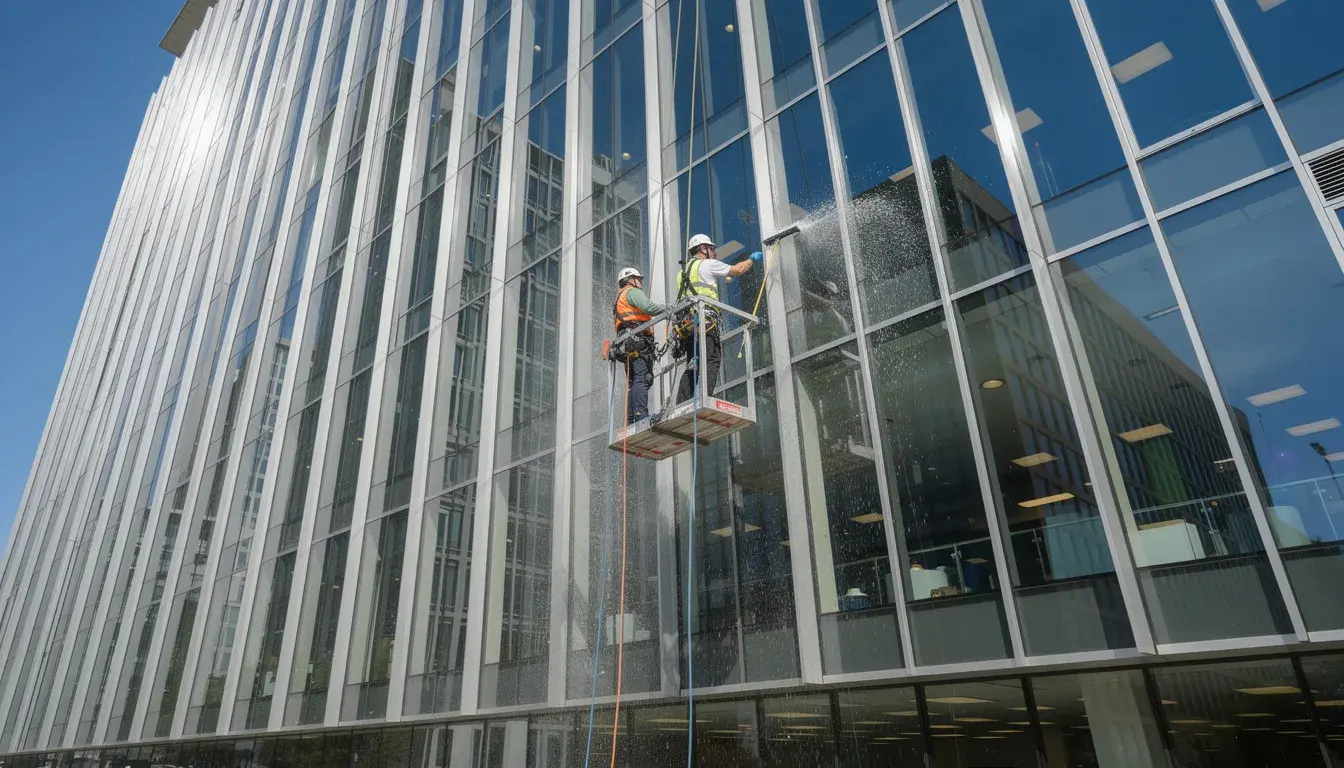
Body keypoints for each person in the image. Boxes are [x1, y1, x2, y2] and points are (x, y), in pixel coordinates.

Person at [675, 234, 761, 403]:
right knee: (712, 358)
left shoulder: (682, 272)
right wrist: (751, 260)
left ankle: (683, 401)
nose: (714, 252)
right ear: (703, 248)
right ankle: (705, 397)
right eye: (711, 248)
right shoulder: (707, 264)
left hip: (688, 325)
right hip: (705, 322)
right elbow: (737, 270)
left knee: (694, 362)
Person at [612, 266, 669, 423]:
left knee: (634, 380)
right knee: (642, 378)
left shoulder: (620, 297)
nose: (641, 282)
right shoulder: (632, 291)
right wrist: (667, 309)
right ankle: (640, 415)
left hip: (627, 342)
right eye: (639, 279)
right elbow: (648, 307)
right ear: (631, 280)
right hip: (637, 339)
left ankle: (632, 419)